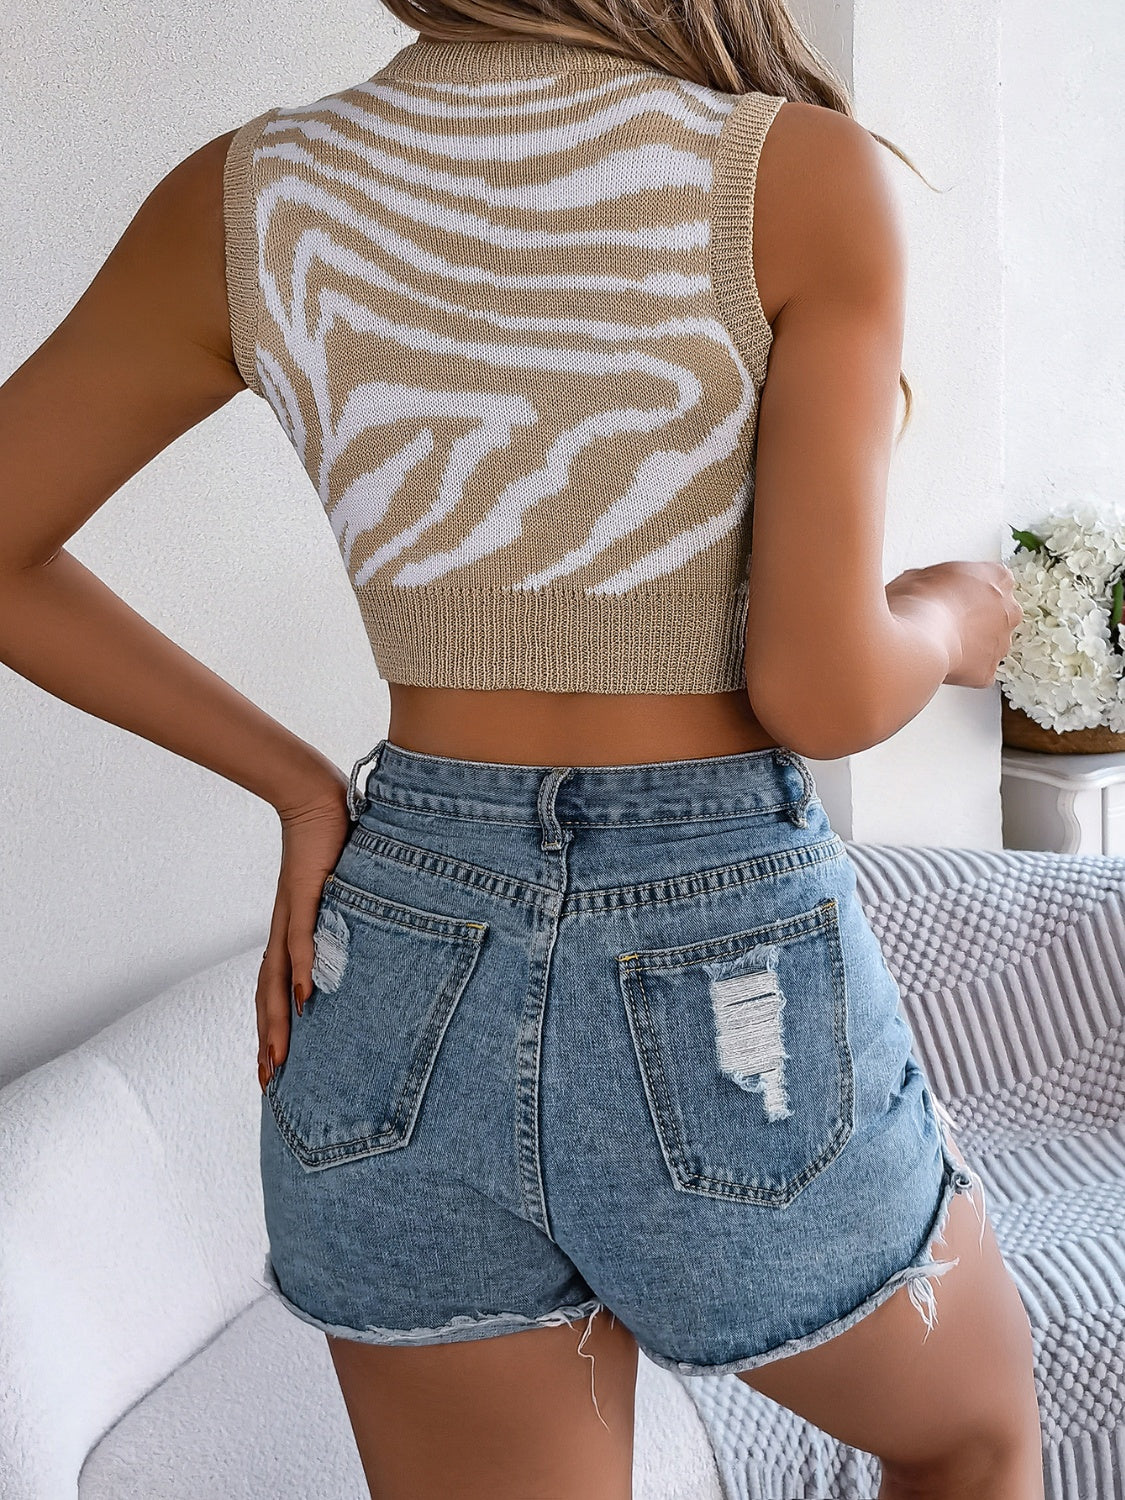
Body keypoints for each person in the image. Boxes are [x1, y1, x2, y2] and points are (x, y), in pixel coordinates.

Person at [0, 0, 1045, 1493]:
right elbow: (818, 692)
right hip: (718, 944)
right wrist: (950, 617)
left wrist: (299, 788)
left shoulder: (250, 193)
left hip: (394, 957)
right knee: (973, 1435)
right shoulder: (791, 173)